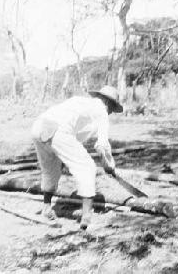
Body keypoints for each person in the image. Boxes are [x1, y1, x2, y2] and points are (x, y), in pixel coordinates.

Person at [31, 85, 123, 230]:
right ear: (108, 103)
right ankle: (87, 217)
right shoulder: (101, 111)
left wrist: (65, 157)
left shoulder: (80, 102)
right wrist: (109, 165)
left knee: (50, 169)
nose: (111, 112)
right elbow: (102, 145)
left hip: (38, 126)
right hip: (58, 130)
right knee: (87, 167)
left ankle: (47, 207)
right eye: (113, 108)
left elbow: (73, 137)